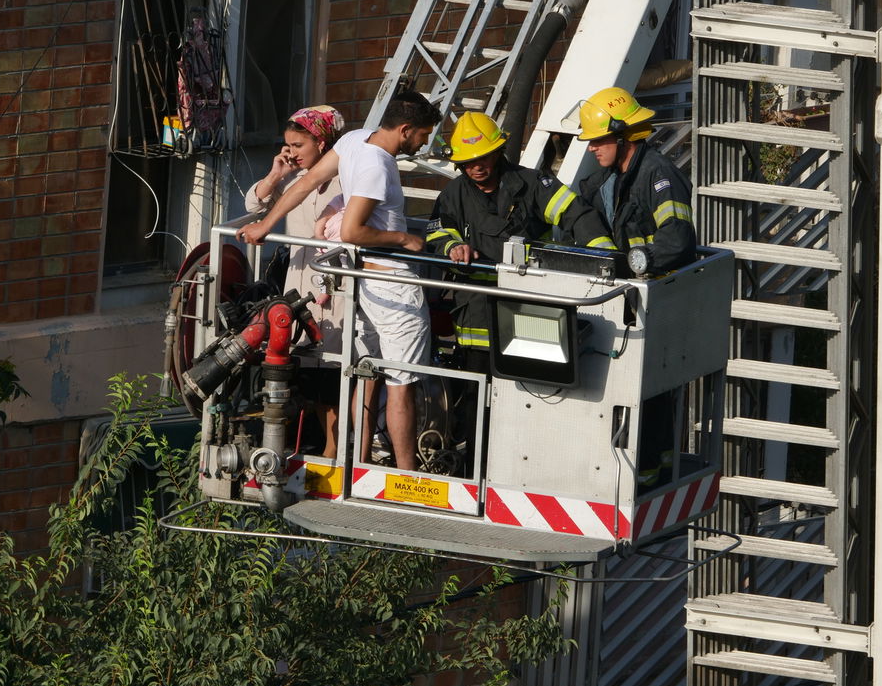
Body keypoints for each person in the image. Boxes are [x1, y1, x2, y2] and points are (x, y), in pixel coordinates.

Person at [240, 89, 441, 471]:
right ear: (404, 129)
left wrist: (265, 226)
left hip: (360, 280)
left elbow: (303, 184)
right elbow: (351, 231)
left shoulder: (352, 140)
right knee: (402, 383)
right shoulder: (378, 165)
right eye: (423, 133)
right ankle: (407, 477)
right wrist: (404, 238)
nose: (425, 141)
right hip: (390, 281)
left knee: (365, 375)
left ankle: (357, 464)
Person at [426, 111, 611, 355]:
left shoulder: (532, 184)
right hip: (476, 314)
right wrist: (452, 248)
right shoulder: (453, 194)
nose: (477, 167)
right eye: (468, 162)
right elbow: (437, 236)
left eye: (484, 157)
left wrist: (607, 259)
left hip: (529, 302)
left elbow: (577, 214)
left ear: (498, 152)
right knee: (473, 387)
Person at [243, 105, 345, 453]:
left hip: (336, 289)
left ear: (323, 142)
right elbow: (255, 205)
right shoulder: (293, 179)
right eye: (289, 145)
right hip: (299, 284)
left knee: (332, 373)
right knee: (310, 373)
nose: (293, 153)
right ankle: (327, 448)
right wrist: (276, 173)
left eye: (299, 145)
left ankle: (334, 453)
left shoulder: (348, 175)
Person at [572, 86, 696, 273]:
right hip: (626, 281)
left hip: (657, 285)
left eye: (598, 140)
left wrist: (638, 261)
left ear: (622, 136)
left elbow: (676, 239)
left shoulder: (659, 174)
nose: (591, 148)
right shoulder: (607, 180)